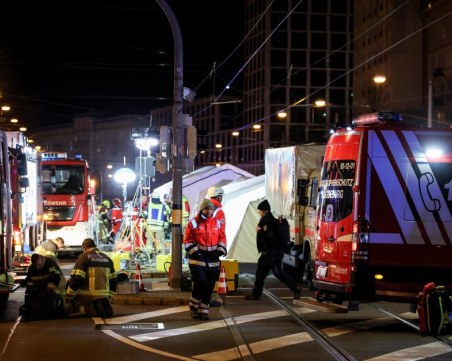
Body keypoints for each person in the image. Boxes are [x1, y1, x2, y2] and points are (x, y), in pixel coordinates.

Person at [244, 199, 301, 301]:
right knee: (279, 273)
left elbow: (269, 237)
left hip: (269, 254)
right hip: (277, 253)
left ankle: (256, 294)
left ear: (265, 211)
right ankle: (295, 288)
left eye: (260, 211)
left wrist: (259, 231)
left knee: (260, 274)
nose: (259, 213)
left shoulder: (267, 222)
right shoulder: (272, 221)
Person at [183, 199, 227, 321]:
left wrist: (221, 249)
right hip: (198, 258)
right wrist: (195, 252)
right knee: (200, 282)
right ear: (202, 209)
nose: (208, 211)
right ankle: (194, 307)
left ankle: (204, 311)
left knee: (209, 285)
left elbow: (222, 237)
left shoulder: (217, 222)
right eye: (206, 209)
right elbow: (187, 240)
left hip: (213, 258)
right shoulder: (193, 223)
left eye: (211, 209)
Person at [65, 238, 117, 318]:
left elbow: (78, 278)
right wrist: (109, 296)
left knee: (68, 307)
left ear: (84, 248)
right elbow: (113, 280)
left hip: (88, 295)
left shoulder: (84, 257)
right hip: (104, 296)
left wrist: (69, 294)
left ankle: (86, 308)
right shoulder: (107, 259)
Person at [20, 247, 66, 320]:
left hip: (57, 282)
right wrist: (25, 283)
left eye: (39, 265)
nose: (38, 267)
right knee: (29, 291)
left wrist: (50, 286)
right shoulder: (32, 267)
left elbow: (56, 276)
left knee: (54, 291)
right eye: (36, 265)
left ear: (43, 258)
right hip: (43, 285)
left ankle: (61, 306)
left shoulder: (50, 264)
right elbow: (29, 278)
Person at [207, 186, 226, 307]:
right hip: (213, 248)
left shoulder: (203, 208)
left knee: (202, 275)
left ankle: (201, 299)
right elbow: (221, 232)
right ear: (219, 197)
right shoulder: (219, 212)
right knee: (212, 275)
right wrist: (222, 247)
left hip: (201, 248)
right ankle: (207, 299)